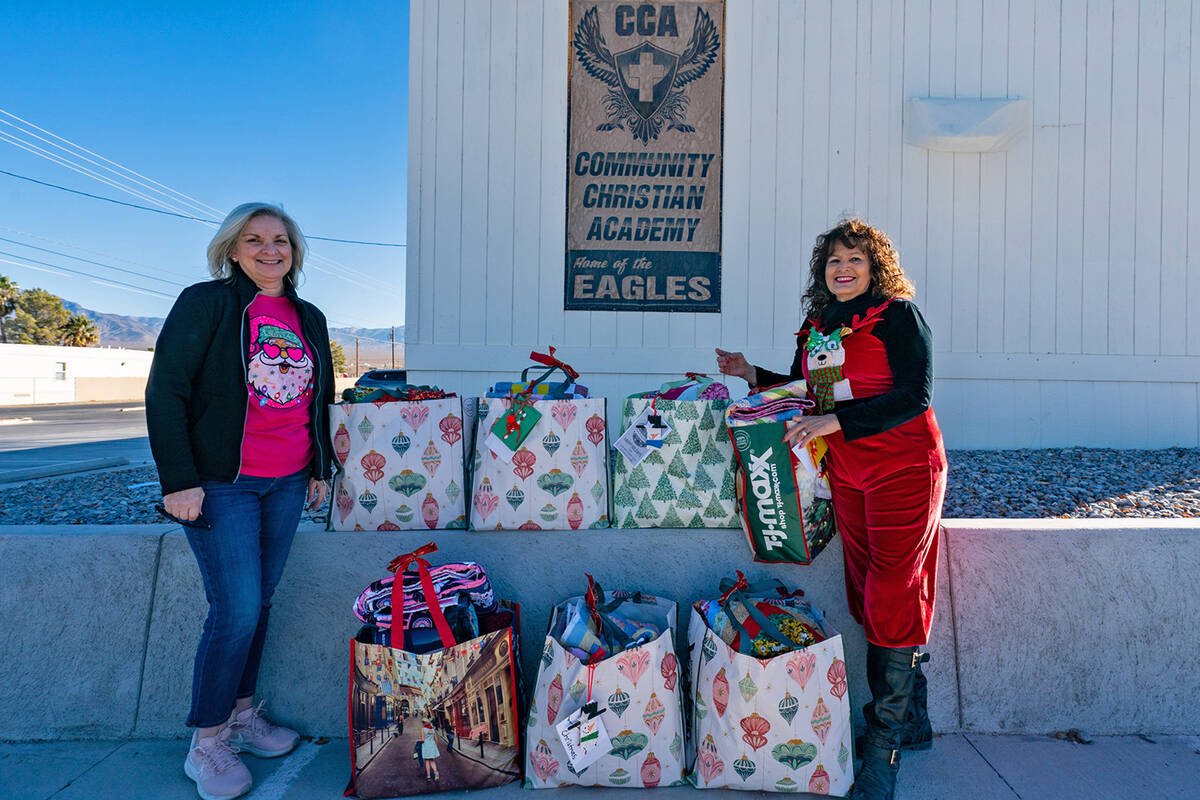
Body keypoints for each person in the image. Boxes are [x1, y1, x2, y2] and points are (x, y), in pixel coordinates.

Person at [716, 218, 946, 800]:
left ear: (877, 268)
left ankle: (883, 749)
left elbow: (914, 395)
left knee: (892, 588)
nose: (842, 270)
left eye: (856, 261)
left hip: (903, 469)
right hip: (847, 473)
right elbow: (806, 394)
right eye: (834, 262)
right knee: (866, 587)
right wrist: (752, 375)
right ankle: (913, 718)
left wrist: (837, 422)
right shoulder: (817, 325)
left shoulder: (897, 315)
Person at [146, 202, 335, 800]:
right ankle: (206, 744)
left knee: (262, 603)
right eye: (254, 240)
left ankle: (244, 716)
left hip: (286, 481)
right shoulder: (207, 303)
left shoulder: (309, 316)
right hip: (221, 484)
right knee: (236, 611)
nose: (269, 249)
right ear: (233, 249)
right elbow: (166, 390)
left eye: (280, 240)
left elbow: (319, 397)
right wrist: (178, 480)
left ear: (294, 251)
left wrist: (319, 469)